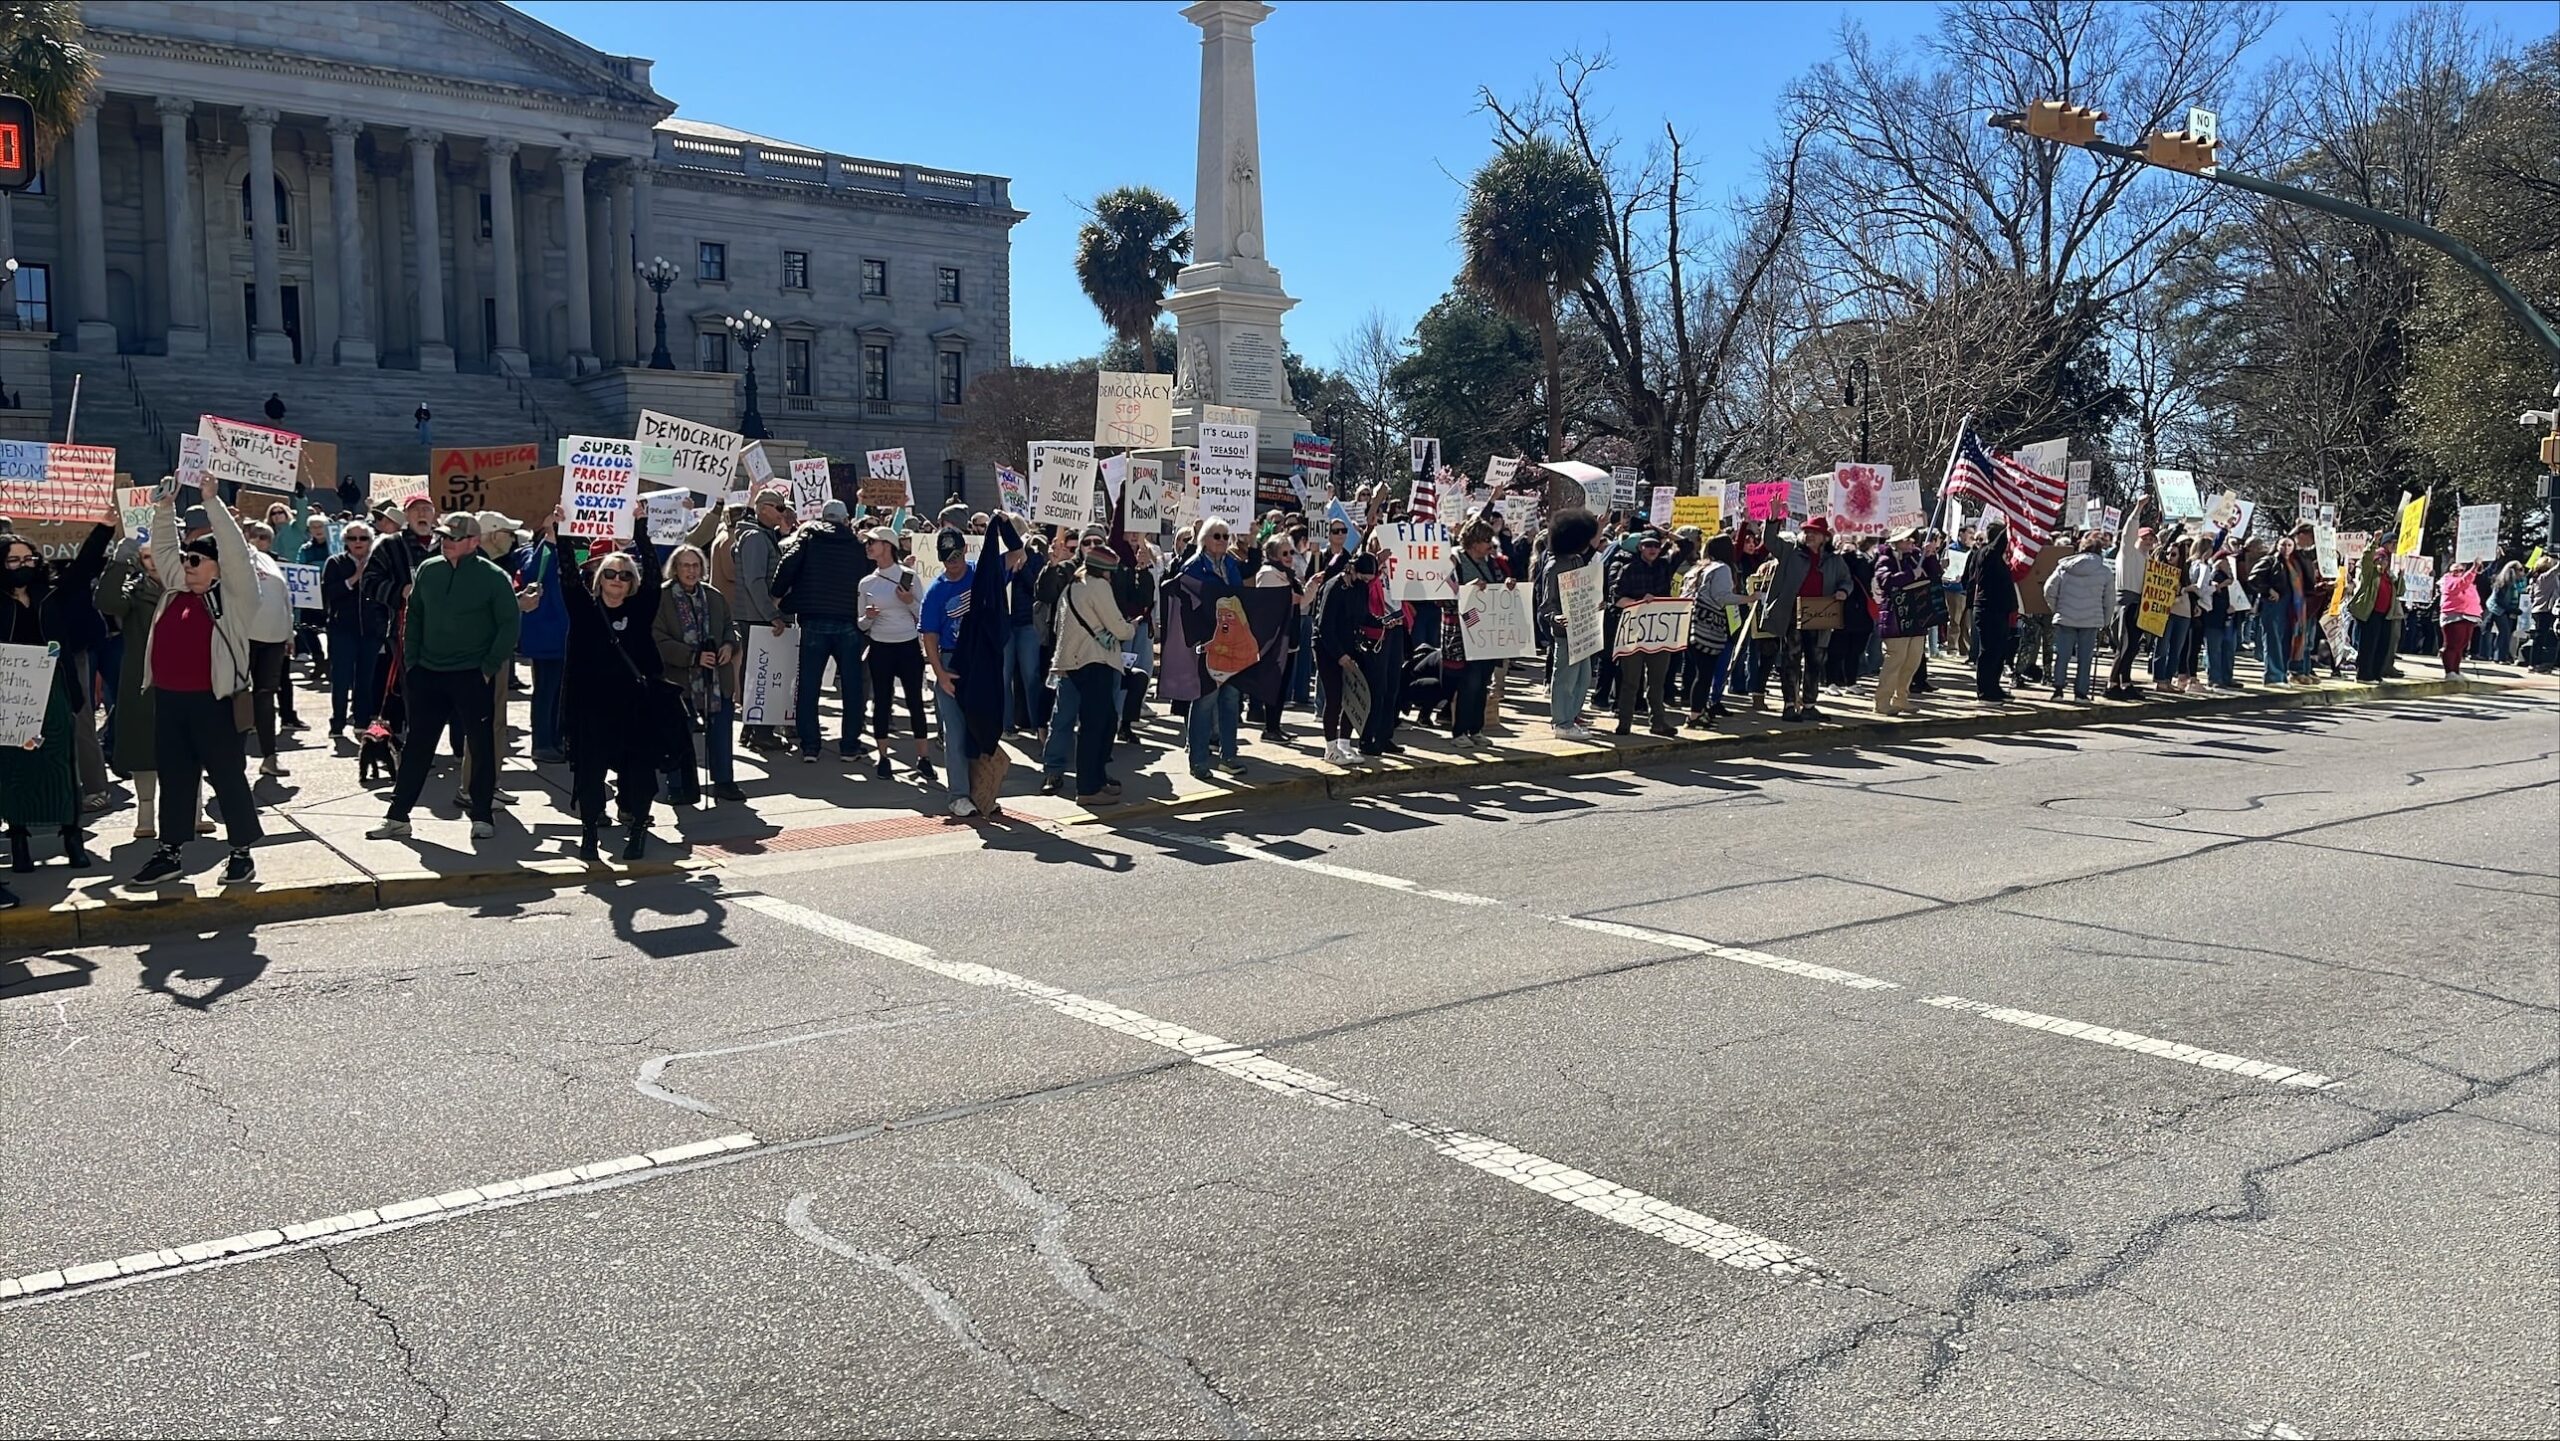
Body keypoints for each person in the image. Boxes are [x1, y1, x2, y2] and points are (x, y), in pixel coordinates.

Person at [129, 492, 261, 887]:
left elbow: (236, 551)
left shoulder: (236, 599)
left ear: (218, 568)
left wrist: (212, 501)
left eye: (196, 560)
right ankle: (170, 852)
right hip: (169, 700)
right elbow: (165, 547)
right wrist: (165, 507)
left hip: (214, 703)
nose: (185, 564)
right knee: (175, 777)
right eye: (186, 559)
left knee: (227, 777)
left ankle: (241, 852)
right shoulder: (175, 590)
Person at [367, 512, 520, 841]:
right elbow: (416, 614)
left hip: (471, 675)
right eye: (444, 537)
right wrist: (413, 662)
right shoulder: (428, 569)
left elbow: (509, 625)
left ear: (474, 542)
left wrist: (487, 667)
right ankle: (397, 816)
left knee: (480, 747)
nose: (446, 543)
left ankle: (481, 815)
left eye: (454, 538)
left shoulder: (494, 577)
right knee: (418, 747)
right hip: (428, 673)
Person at [0, 526, 109, 901]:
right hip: (11, 697)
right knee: (16, 769)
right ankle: (20, 842)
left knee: (62, 766)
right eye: (13, 560)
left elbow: (84, 568)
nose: (22, 565)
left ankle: (72, 838)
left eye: (28, 558)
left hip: (55, 692)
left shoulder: (51, 596)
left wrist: (104, 528)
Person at [552, 528, 671, 860]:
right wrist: (561, 532)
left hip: (635, 708)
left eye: (624, 575)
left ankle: (636, 832)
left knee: (639, 772)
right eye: (609, 574)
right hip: (591, 708)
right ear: (599, 579)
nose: (617, 580)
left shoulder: (641, 608)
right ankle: (589, 832)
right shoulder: (584, 608)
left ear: (631, 581)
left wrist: (640, 529)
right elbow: (567, 573)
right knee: (590, 774)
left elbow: (653, 577)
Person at [772, 497, 871, 764]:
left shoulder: (808, 539)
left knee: (809, 685)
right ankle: (849, 746)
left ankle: (810, 746)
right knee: (851, 687)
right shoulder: (857, 546)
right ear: (845, 519)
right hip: (849, 621)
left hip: (813, 619)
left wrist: (778, 594)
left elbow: (787, 566)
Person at [1048, 528, 1134, 805]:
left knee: (1104, 720)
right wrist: (1131, 628)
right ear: (1105, 570)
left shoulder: (1074, 585)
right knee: (1095, 725)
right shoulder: (1098, 586)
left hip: (1074, 661)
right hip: (1093, 661)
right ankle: (1087, 788)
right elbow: (1118, 628)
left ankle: (1098, 778)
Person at [93, 533, 170, 840]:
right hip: (143, 678)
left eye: (159, 555)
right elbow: (107, 601)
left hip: (185, 674)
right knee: (142, 746)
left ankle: (194, 809)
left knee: (188, 746)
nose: (154, 563)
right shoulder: (135, 591)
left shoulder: (188, 585)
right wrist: (119, 561)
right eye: (147, 557)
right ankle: (146, 812)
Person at [654, 541, 740, 804]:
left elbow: (729, 626)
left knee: (722, 731)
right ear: (675, 569)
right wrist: (692, 656)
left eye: (695, 565)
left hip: (715, 677)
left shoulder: (713, 596)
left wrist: (729, 644)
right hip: (680, 679)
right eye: (685, 566)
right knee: (680, 734)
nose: (691, 571)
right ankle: (678, 785)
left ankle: (724, 781)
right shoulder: (662, 597)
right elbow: (657, 638)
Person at [856, 526, 930, 781]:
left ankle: (923, 757)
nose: (868, 546)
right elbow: (861, 623)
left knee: (915, 702)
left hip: (908, 645)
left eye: (873, 542)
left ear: (888, 545)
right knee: (882, 702)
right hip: (880, 646)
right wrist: (869, 617)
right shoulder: (867, 582)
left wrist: (909, 601)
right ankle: (884, 757)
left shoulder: (909, 577)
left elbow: (924, 616)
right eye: (867, 542)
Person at [721, 489, 791, 752]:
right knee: (761, 674)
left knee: (754, 672)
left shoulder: (758, 536)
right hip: (758, 617)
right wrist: (772, 614)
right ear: (763, 508)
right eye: (779, 507)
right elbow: (754, 580)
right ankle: (761, 732)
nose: (783, 512)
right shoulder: (755, 538)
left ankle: (752, 729)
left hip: (755, 616)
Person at [917, 528, 980, 816]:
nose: (952, 563)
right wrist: (940, 674)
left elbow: (1015, 557)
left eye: (956, 556)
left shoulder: (980, 573)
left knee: (982, 729)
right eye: (946, 558)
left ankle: (983, 790)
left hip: (981, 660)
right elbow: (928, 636)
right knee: (955, 732)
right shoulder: (936, 591)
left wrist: (1001, 525)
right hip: (951, 660)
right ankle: (958, 795)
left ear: (965, 550)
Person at [1764, 516, 1853, 722]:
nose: (1809, 534)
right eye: (1807, 531)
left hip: (1820, 615)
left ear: (1825, 537)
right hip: (1793, 614)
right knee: (1791, 660)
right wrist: (1773, 520)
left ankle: (1809, 705)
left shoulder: (1834, 560)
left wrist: (1843, 592)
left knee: (1815, 661)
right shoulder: (1790, 551)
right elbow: (1770, 541)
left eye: (1814, 532)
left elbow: (1846, 581)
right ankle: (1789, 705)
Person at [237, 518, 298, 774]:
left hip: (274, 640)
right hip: (244, 638)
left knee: (265, 698)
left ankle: (269, 757)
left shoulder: (268, 560)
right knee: (237, 699)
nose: (259, 538)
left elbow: (285, 598)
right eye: (254, 534)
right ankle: (228, 760)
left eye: (264, 535)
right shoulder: (233, 559)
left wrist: (289, 634)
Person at [1536, 509, 1602, 741]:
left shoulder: (1575, 559)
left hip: (1584, 627)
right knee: (1565, 677)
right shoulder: (1554, 566)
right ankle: (1562, 722)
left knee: (1583, 677)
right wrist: (1555, 618)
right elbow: (1546, 605)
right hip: (1565, 631)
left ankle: (1571, 717)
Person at [1609, 528, 1679, 737]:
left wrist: (1666, 533)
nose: (1653, 549)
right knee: (1631, 680)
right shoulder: (1628, 568)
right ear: (1640, 547)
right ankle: (1624, 723)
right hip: (1634, 631)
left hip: (1659, 631)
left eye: (1656, 545)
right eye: (1648, 545)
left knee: (1657, 681)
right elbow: (1616, 598)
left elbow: (1687, 546)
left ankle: (1658, 722)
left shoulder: (1664, 566)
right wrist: (1640, 603)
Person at [1449, 524, 1511, 746]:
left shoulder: (1491, 562)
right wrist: (1468, 587)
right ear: (1474, 542)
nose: (1490, 546)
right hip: (1467, 627)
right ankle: (1460, 731)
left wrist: (1507, 585)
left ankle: (1476, 729)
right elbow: (1445, 593)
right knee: (1470, 682)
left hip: (1488, 629)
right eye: (1487, 541)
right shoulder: (1455, 559)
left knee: (1483, 680)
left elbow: (1497, 587)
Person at [1873, 527, 1939, 715]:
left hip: (1916, 615)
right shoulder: (1885, 559)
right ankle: (1882, 700)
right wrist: (1910, 575)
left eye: (1912, 540)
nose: (1911, 543)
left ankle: (1901, 697)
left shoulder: (1916, 557)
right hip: (1896, 616)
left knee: (1913, 660)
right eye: (1906, 540)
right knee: (1896, 659)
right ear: (1896, 542)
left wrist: (1930, 556)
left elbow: (1935, 575)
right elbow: (1886, 581)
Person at [2043, 529, 2112, 704]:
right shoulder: (2104, 571)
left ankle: (2058, 689)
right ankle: (2081, 693)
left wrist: (2056, 608)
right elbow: (2109, 600)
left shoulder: (2064, 567)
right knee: (2085, 657)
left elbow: (2048, 590)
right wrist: (2106, 621)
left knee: (2063, 655)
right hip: (2091, 619)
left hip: (2066, 615)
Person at [320, 521, 377, 733]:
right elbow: (329, 594)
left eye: (363, 538)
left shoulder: (378, 563)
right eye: (352, 538)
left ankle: (362, 722)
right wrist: (354, 578)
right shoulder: (335, 563)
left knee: (365, 678)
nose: (358, 542)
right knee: (341, 678)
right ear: (345, 542)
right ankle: (338, 722)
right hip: (342, 629)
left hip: (370, 630)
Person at [1681, 534, 1741, 727]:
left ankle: (1698, 710)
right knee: (1705, 673)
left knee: (1696, 672)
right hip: (1707, 627)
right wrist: (1749, 599)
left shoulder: (1696, 568)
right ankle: (1695, 715)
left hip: (1689, 623)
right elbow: (1722, 597)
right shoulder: (1721, 569)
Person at [2103, 495, 2158, 699]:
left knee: (2133, 647)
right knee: (2124, 646)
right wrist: (2138, 508)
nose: (2149, 541)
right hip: (2126, 604)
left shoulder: (2147, 559)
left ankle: (2125, 683)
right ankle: (2111, 685)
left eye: (2152, 539)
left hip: (2140, 605)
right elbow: (2128, 532)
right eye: (2145, 537)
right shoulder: (2128, 553)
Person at [1251, 531, 1302, 744]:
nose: (1290, 556)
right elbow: (1273, 602)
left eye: (1291, 552)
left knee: (1283, 685)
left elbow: (1300, 602)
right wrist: (1293, 597)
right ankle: (1269, 728)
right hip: (1275, 639)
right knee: (1274, 684)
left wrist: (1313, 586)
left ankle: (1276, 726)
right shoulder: (1268, 573)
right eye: (1285, 552)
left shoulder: (1289, 574)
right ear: (1273, 554)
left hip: (1290, 635)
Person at [1966, 521, 2020, 702]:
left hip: (2000, 610)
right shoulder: (1987, 553)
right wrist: (2012, 522)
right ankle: (1985, 691)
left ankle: (1994, 687)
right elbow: (2000, 543)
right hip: (1988, 610)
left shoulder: (1996, 558)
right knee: (1989, 651)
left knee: (1999, 651)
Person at [2437, 560, 2483, 677]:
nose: (2458, 573)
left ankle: (2455, 670)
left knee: (2461, 646)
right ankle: (2450, 671)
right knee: (2453, 645)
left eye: (2461, 570)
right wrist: (2473, 569)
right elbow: (2461, 584)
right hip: (2454, 616)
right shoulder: (2448, 582)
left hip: (2469, 616)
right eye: (2455, 571)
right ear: (2449, 572)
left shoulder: (2470, 584)